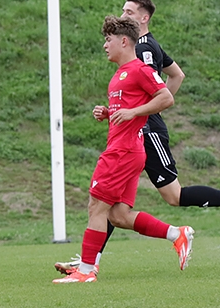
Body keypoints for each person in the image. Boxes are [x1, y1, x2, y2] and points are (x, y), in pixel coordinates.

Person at [55, 0, 220, 276]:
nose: (124, 15)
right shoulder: (144, 47)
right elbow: (177, 75)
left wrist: (144, 113)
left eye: (130, 12)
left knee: (168, 196)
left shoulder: (142, 49)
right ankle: (90, 260)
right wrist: (125, 111)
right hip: (139, 128)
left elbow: (160, 90)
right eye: (123, 10)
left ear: (144, 18)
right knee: (115, 208)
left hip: (144, 132)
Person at [55, 16, 194, 284]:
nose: (105, 45)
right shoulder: (119, 75)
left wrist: (133, 112)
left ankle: (85, 271)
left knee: (96, 207)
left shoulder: (140, 69)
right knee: (117, 216)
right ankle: (177, 235)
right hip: (127, 149)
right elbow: (128, 110)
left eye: (108, 40)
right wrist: (108, 113)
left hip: (123, 151)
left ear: (123, 41)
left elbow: (166, 97)